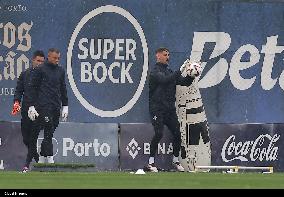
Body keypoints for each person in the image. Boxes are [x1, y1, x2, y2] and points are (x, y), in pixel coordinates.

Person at [145, 47, 194, 172]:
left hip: (170, 110)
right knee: (159, 133)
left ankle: (175, 161)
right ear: (158, 56)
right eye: (165, 54)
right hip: (157, 109)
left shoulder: (169, 71)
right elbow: (165, 80)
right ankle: (150, 163)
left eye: (168, 54)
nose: (168, 57)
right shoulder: (155, 72)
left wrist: (192, 74)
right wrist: (180, 69)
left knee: (178, 133)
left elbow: (184, 82)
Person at [25, 48, 69, 170]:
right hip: (43, 106)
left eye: (58, 58)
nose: (57, 60)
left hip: (56, 106)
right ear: (48, 57)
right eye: (55, 58)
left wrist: (65, 106)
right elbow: (31, 88)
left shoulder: (60, 71)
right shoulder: (40, 69)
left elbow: (63, 89)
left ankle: (43, 154)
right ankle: (49, 158)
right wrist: (31, 106)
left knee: (50, 131)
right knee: (48, 128)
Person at [11, 50, 45, 172]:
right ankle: (39, 161)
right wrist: (16, 101)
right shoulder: (25, 74)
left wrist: (36, 106)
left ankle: (26, 165)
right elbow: (19, 90)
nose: (40, 63)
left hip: (39, 111)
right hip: (25, 111)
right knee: (26, 139)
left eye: (42, 61)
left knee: (32, 138)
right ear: (33, 60)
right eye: (38, 60)